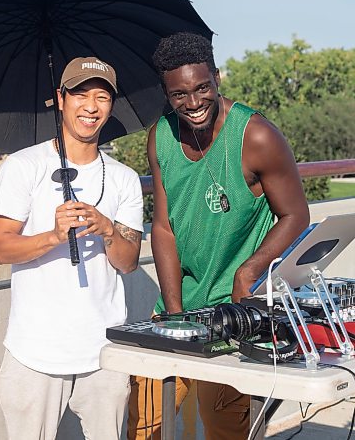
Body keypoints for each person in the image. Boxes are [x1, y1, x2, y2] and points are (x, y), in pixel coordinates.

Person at [127, 32, 310, 440]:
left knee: (224, 430)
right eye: (179, 95)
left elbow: (296, 215)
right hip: (179, 308)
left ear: (216, 77)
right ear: (166, 93)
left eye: (202, 88)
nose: (193, 104)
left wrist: (249, 271)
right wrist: (174, 314)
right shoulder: (161, 136)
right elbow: (163, 227)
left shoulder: (256, 136)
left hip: (234, 315)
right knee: (145, 426)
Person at [0, 56, 144, 440]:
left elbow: (127, 263)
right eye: (80, 94)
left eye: (102, 97)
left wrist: (108, 228)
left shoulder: (124, 179)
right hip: (33, 349)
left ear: (111, 106)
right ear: (61, 98)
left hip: (104, 350)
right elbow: (0, 247)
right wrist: (55, 236)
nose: (91, 107)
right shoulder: (23, 166)